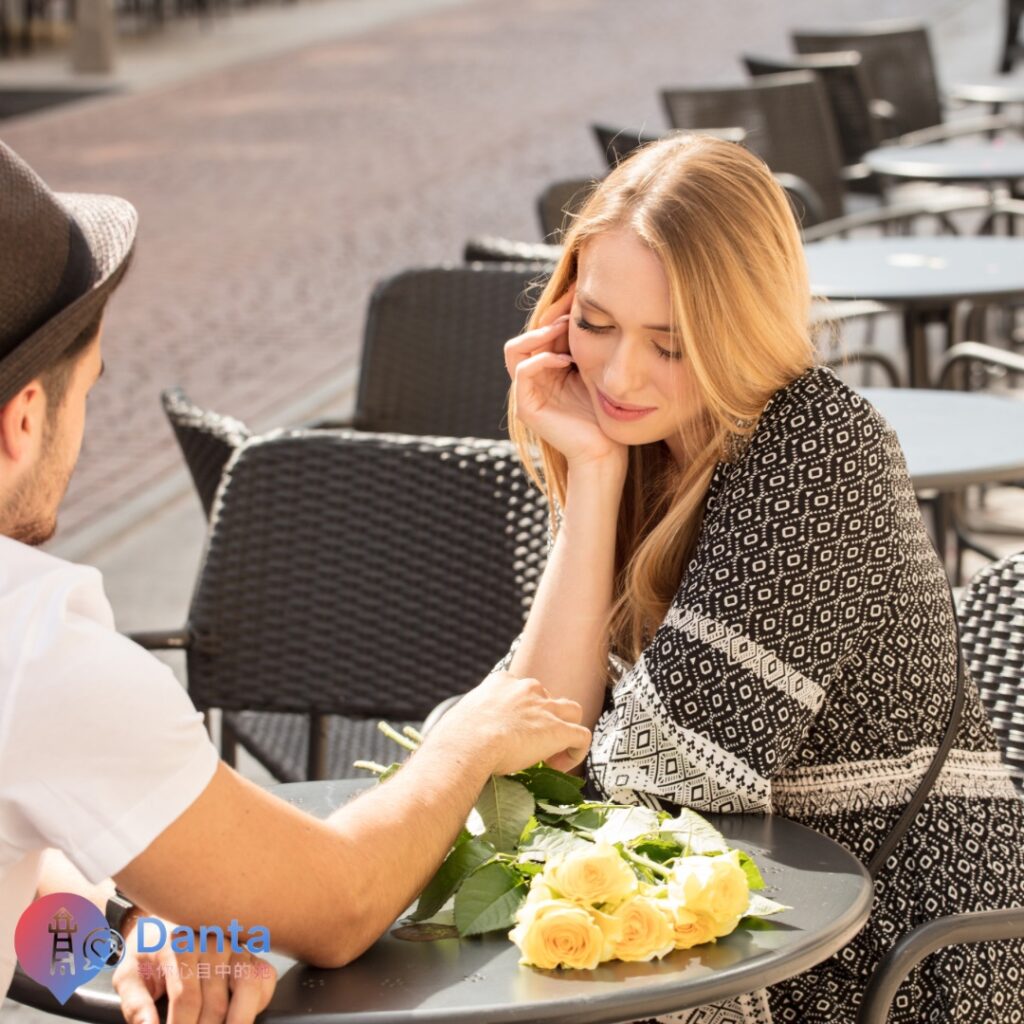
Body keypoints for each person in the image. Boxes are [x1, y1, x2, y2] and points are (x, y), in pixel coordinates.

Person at [0, 140, 591, 1024]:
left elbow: (20, 922)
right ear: (22, 422)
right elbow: (343, 906)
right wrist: (467, 745)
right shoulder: (37, 650)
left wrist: (127, 928)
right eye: (88, 391)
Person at [499, 133, 1024, 1024]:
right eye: (596, 323)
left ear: (740, 326)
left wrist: (498, 763)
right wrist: (589, 476)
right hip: (735, 911)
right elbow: (539, 736)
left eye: (671, 343)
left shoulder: (821, 451)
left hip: (896, 945)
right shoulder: (625, 446)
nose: (621, 374)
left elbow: (652, 781)